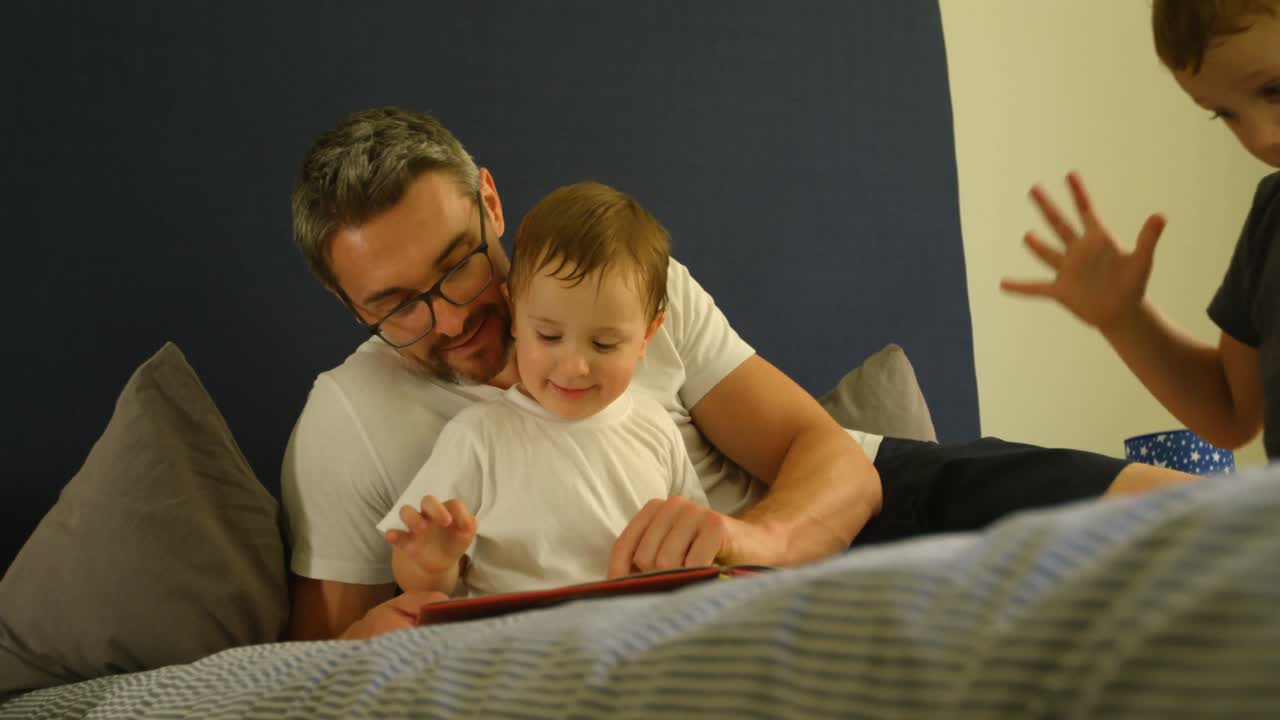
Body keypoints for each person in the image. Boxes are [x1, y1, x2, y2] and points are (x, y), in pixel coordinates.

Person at [283, 107, 1191, 641]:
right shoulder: (349, 420)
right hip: (682, 619)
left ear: (490, 202)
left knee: (1178, 511)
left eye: (458, 265)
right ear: (345, 303)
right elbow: (324, 656)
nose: (450, 317)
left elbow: (833, 461)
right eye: (395, 305)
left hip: (822, 521)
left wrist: (748, 541)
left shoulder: (621, 283)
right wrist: (399, 610)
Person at [374, 181, 709, 597]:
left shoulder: (656, 428)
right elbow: (419, 580)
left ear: (647, 335)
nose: (574, 367)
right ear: (515, 314)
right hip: (525, 630)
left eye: (605, 344)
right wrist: (433, 562)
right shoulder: (478, 437)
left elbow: (698, 541)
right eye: (549, 336)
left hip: (639, 623)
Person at [1002, 0, 1278, 461]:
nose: (1259, 137)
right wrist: (1124, 319)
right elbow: (1231, 413)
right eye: (1224, 113)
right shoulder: (1272, 216)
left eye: (1274, 89)